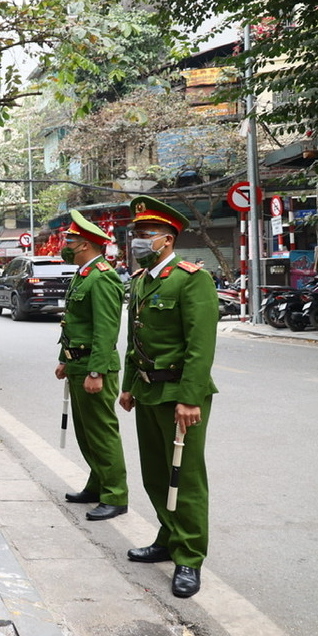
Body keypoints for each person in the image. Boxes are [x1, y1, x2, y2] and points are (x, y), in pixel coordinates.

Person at [118, 196, 219, 599]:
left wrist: (191, 397)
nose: (138, 241)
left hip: (180, 393)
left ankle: (189, 557)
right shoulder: (142, 280)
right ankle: (167, 535)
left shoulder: (192, 278)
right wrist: (127, 385)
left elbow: (200, 344)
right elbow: (134, 340)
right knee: (156, 473)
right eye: (136, 234)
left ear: (167, 238)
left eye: (145, 235)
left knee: (186, 477)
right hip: (147, 388)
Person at [55, 211, 128, 522]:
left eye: (68, 241)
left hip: (93, 367)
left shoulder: (102, 277)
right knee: (86, 433)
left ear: (83, 244)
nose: (64, 245)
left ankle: (115, 495)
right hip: (77, 364)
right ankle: (97, 484)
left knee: (101, 432)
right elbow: (73, 321)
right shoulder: (83, 274)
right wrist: (63, 358)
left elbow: (105, 329)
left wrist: (96, 371)